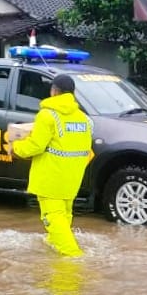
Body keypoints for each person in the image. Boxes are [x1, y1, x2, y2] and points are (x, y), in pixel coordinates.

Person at [11, 74, 93, 257]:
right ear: (72, 93)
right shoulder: (84, 119)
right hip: (72, 178)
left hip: (50, 178)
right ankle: (54, 242)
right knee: (64, 215)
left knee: (53, 218)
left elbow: (35, 145)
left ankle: (73, 259)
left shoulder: (47, 115)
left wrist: (15, 148)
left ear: (54, 91)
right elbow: (86, 150)